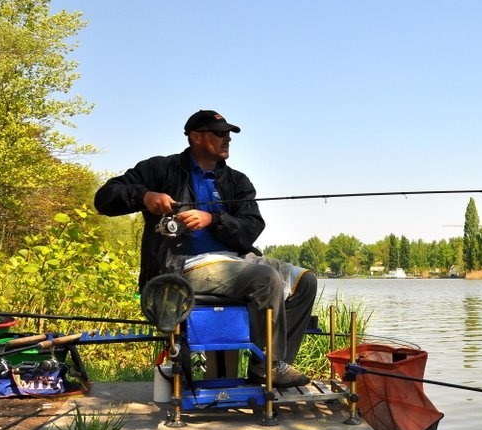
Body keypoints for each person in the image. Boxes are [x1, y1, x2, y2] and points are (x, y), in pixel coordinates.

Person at [94, 109, 317, 388]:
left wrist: (214, 219)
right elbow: (104, 198)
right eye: (220, 133)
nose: (227, 140)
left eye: (229, 135)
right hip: (183, 266)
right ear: (196, 137)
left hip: (237, 261)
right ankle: (269, 365)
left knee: (304, 281)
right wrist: (144, 196)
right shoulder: (159, 169)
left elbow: (251, 227)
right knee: (266, 279)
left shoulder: (237, 181)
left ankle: (271, 363)